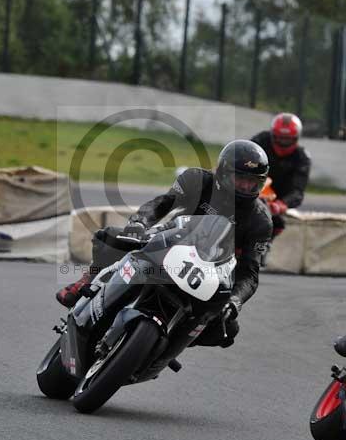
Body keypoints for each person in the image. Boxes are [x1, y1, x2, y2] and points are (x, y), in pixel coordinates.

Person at [56, 139, 273, 349]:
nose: (246, 186)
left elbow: (250, 272)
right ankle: (89, 279)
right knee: (111, 237)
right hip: (171, 241)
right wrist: (140, 223)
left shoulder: (261, 220)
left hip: (211, 273)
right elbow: (163, 203)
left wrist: (234, 301)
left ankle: (168, 346)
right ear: (224, 172)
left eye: (253, 181)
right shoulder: (197, 180)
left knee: (226, 330)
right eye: (240, 178)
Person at [252, 113, 311, 239]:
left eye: (287, 139)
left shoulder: (302, 158)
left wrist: (282, 204)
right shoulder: (260, 141)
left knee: (268, 232)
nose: (282, 143)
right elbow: (240, 158)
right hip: (251, 190)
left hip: (274, 205)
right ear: (272, 135)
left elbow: (297, 191)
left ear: (296, 138)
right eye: (279, 138)